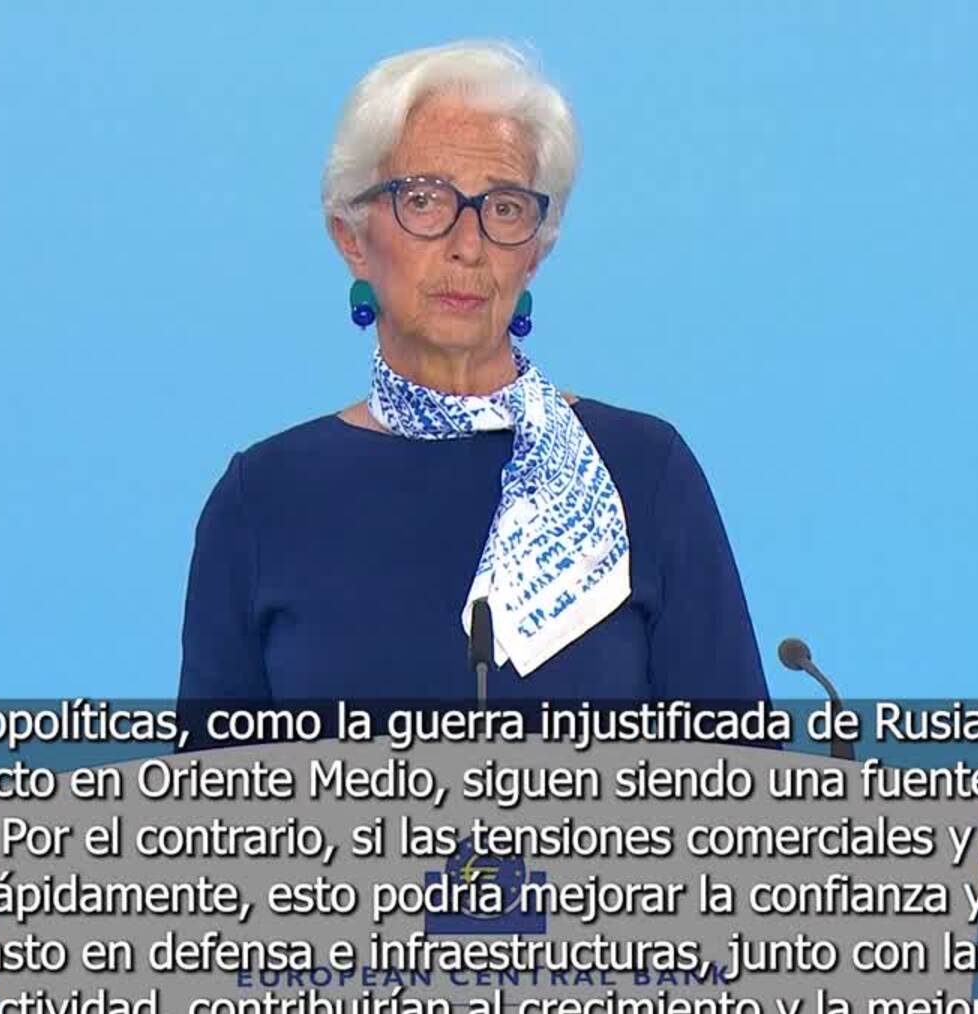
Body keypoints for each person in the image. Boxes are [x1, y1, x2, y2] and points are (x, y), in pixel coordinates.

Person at [177, 40, 767, 703]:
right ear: (351, 237)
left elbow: (737, 761)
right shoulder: (262, 499)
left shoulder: (643, 473)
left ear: (535, 254)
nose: (468, 246)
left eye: (505, 208)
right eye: (425, 201)